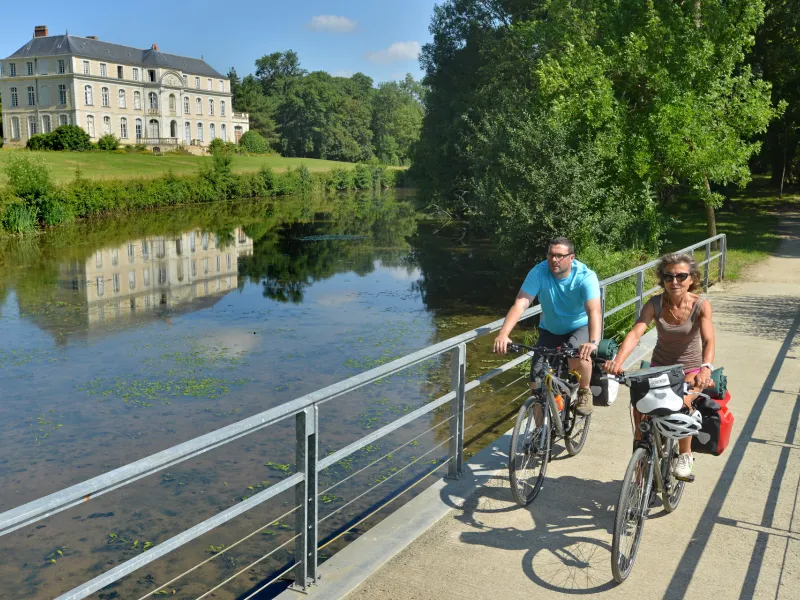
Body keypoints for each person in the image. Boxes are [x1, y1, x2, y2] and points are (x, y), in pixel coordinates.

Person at [604, 252, 715, 479]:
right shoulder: (655, 304)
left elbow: (708, 339)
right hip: (660, 367)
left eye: (681, 276)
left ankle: (685, 455)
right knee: (640, 406)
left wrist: (706, 368)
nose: (674, 282)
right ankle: (641, 447)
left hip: (690, 370)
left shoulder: (701, 305)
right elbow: (636, 332)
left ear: (692, 279)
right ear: (662, 279)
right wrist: (618, 362)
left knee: (681, 406)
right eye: (668, 277)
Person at [494, 237, 602, 416]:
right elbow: (521, 303)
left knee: (579, 353)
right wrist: (503, 334)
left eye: (560, 256)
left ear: (572, 257)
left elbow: (594, 312)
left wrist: (592, 341)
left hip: (579, 326)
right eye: (551, 255)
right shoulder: (539, 272)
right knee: (536, 382)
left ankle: (584, 391)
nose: (554, 260)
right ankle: (538, 435)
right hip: (550, 329)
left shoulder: (585, 276)